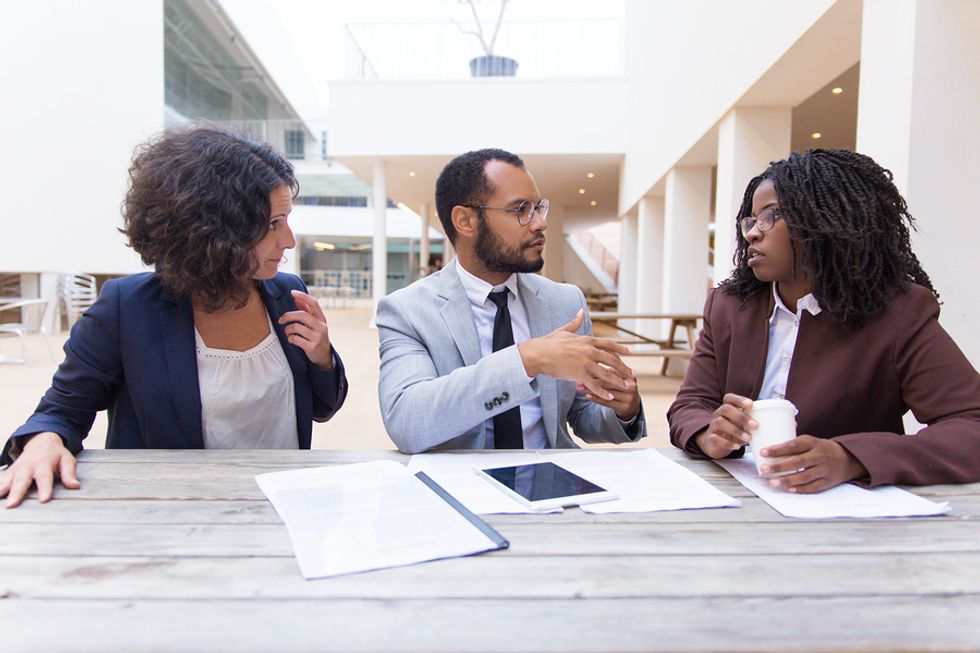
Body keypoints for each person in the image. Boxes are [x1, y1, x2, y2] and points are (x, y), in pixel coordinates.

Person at [0, 126, 349, 508]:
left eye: (287, 219)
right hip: (173, 514)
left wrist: (322, 358)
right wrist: (42, 442)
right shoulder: (126, 307)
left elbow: (322, 408)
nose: (290, 241)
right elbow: (61, 411)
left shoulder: (286, 293)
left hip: (281, 508)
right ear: (214, 231)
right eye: (272, 224)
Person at [668, 148, 980, 492]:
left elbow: (971, 426)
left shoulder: (897, 313)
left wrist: (850, 458)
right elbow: (690, 404)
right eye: (750, 221)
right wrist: (708, 432)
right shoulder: (729, 306)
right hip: (735, 501)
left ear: (826, 220)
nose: (752, 233)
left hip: (847, 519)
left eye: (770, 216)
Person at [377, 148, 645, 453]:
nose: (539, 224)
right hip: (460, 490)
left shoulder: (566, 303)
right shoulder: (407, 311)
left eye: (538, 208)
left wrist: (623, 409)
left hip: (552, 485)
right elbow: (408, 422)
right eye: (521, 209)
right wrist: (527, 359)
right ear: (465, 221)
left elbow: (583, 415)